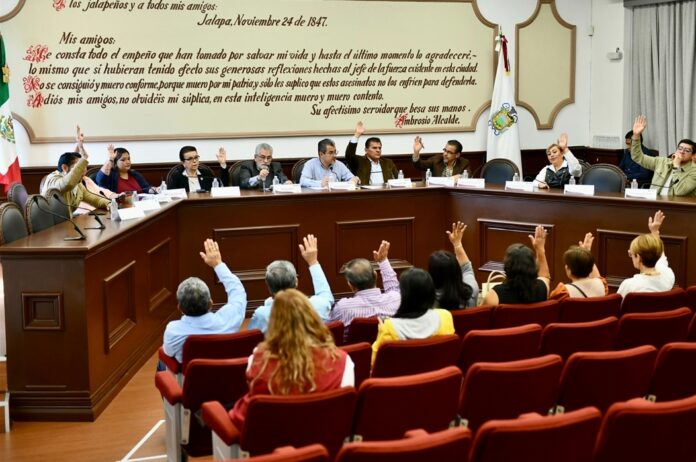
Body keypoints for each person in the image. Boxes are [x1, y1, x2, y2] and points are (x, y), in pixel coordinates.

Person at [229, 288, 354, 431]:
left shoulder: (258, 360)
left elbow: (249, 411)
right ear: (312, 317)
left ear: (273, 323)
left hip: (272, 439)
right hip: (325, 438)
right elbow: (344, 411)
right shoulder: (344, 361)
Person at [162, 239, 247, 363]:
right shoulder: (229, 319)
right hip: (226, 373)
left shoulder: (173, 331)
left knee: (163, 362)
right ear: (210, 303)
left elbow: (168, 352)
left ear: (179, 308)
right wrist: (218, 264)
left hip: (191, 376)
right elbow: (238, 291)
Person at [249, 234, 333, 333]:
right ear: (296, 282)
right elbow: (326, 295)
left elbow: (252, 338)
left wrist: (268, 303)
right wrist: (313, 261)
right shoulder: (317, 305)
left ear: (268, 285)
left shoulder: (261, 315)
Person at [371, 268, 455, 364]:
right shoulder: (445, 316)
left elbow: (373, 363)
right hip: (438, 372)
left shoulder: (389, 327)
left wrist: (381, 329)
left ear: (403, 295)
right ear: (431, 292)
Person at [328, 240, 401, 328]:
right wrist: (383, 261)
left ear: (350, 285)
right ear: (375, 275)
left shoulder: (342, 309)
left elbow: (327, 329)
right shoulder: (396, 300)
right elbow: (395, 290)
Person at [41, 125, 110, 210]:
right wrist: (84, 157)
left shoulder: (78, 185)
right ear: (65, 168)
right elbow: (67, 183)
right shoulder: (52, 179)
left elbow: (95, 199)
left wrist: (109, 204)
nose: (84, 170)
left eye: (85, 167)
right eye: (79, 166)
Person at [482, 226, 551, 305]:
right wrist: (540, 249)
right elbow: (545, 276)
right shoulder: (542, 288)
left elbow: (480, 312)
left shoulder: (494, 296)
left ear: (507, 267)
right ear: (533, 267)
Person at [629, 115, 696, 196]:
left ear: (692, 155)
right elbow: (637, 157)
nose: (682, 152)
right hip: (654, 200)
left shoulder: (694, 171)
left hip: (675, 203)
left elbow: (680, 191)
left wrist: (676, 167)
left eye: (687, 150)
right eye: (680, 148)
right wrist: (636, 135)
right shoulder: (662, 162)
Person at [617, 210, 675, 297]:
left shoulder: (629, 286)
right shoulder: (668, 276)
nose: (631, 257)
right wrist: (655, 231)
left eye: (631, 254)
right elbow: (660, 256)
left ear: (638, 257)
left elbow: (615, 305)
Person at [429, 222, 479, 309]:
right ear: (457, 270)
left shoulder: (425, 301)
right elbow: (467, 269)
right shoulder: (472, 291)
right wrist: (457, 244)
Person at [549, 232, 608, 300]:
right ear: (591, 268)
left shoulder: (563, 292)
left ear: (568, 270)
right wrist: (587, 253)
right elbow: (597, 276)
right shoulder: (601, 285)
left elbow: (551, 304)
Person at [345, 121, 398, 185]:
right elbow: (349, 155)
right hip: (366, 191)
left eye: (379, 148)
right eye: (374, 148)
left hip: (386, 190)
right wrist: (357, 135)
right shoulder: (360, 161)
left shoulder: (388, 162)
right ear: (366, 150)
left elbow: (398, 179)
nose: (378, 150)